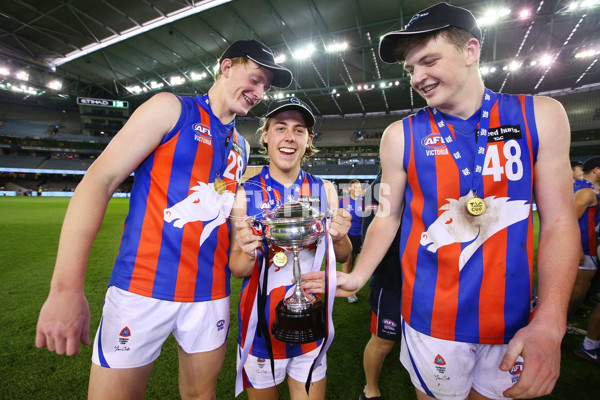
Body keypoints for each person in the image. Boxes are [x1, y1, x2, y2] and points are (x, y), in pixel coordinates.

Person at [303, 3, 580, 399]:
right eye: (410, 69)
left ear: (470, 51)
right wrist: (358, 275)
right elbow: (387, 215)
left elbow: (559, 222)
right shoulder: (400, 135)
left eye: (429, 60)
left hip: (512, 318)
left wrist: (551, 321)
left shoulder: (541, 115)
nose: (417, 77)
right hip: (430, 319)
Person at [35, 39, 292, 400]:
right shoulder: (169, 108)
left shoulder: (241, 145)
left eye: (265, 85)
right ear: (227, 66)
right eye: (255, 78)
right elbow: (99, 180)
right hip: (142, 288)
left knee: (202, 395)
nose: (259, 92)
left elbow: (213, 193)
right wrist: (65, 290)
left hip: (210, 294)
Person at [229, 97, 352, 400]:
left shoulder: (325, 189)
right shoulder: (244, 193)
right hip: (261, 328)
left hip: (311, 322)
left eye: (299, 130)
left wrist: (339, 237)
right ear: (266, 136)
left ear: (309, 140)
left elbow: (345, 255)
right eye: (280, 127)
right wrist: (245, 249)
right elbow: (238, 270)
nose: (289, 137)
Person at [358, 173, 402, 400]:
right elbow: (370, 235)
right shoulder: (381, 184)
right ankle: (370, 389)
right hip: (392, 275)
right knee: (384, 340)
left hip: (426, 276)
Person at [567, 156, 600, 334]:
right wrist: (578, 248)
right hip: (584, 247)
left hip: (583, 245)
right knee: (579, 289)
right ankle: (562, 324)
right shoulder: (587, 192)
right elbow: (571, 219)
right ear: (596, 170)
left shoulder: (580, 187)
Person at [339, 179, 364, 303]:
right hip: (347, 234)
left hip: (359, 235)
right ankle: (347, 291)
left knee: (353, 260)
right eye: (355, 187)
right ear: (350, 188)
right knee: (347, 261)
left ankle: (348, 282)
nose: (357, 189)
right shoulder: (343, 201)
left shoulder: (363, 201)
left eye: (359, 187)